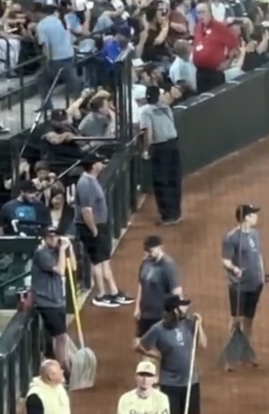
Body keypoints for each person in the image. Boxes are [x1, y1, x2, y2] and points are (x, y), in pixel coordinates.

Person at [135, 294, 215, 414]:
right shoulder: (158, 329)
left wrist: (199, 326)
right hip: (170, 382)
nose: (187, 307)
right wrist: (154, 354)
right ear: (175, 309)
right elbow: (139, 345)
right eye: (183, 305)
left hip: (191, 380)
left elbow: (203, 345)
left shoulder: (189, 324)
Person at [75, 157, 132, 307]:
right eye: (99, 162)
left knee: (104, 260)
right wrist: (93, 229)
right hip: (91, 227)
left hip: (99, 225)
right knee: (97, 261)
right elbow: (86, 211)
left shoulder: (92, 180)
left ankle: (113, 292)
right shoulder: (85, 183)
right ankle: (101, 295)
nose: (102, 164)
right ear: (94, 165)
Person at [220, 204, 265, 367]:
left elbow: (258, 256)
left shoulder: (255, 234)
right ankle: (231, 357)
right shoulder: (231, 237)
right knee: (236, 320)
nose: (256, 217)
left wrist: (262, 276)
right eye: (253, 214)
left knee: (249, 320)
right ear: (246, 217)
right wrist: (234, 269)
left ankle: (246, 352)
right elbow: (225, 260)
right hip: (239, 286)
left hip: (255, 284)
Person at [140, 86, 182, 225]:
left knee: (161, 182)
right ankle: (176, 213)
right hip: (173, 145)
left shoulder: (146, 111)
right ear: (157, 96)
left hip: (160, 148)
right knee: (173, 179)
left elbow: (149, 134)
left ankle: (167, 216)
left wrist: (146, 150)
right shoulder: (166, 108)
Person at [31, 228, 72, 373]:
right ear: (45, 238)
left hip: (57, 300)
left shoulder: (56, 251)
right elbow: (61, 271)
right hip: (47, 302)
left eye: (56, 237)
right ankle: (64, 370)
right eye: (51, 237)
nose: (54, 240)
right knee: (60, 336)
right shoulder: (42, 253)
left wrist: (69, 248)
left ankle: (63, 365)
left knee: (62, 337)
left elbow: (72, 266)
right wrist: (62, 250)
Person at [134, 235, 182, 338]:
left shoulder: (169, 266)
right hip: (145, 313)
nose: (148, 254)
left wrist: (175, 313)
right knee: (140, 344)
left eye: (150, 251)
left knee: (160, 345)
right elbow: (141, 285)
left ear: (160, 248)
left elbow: (176, 291)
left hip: (161, 315)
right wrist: (137, 307)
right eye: (146, 251)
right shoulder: (145, 263)